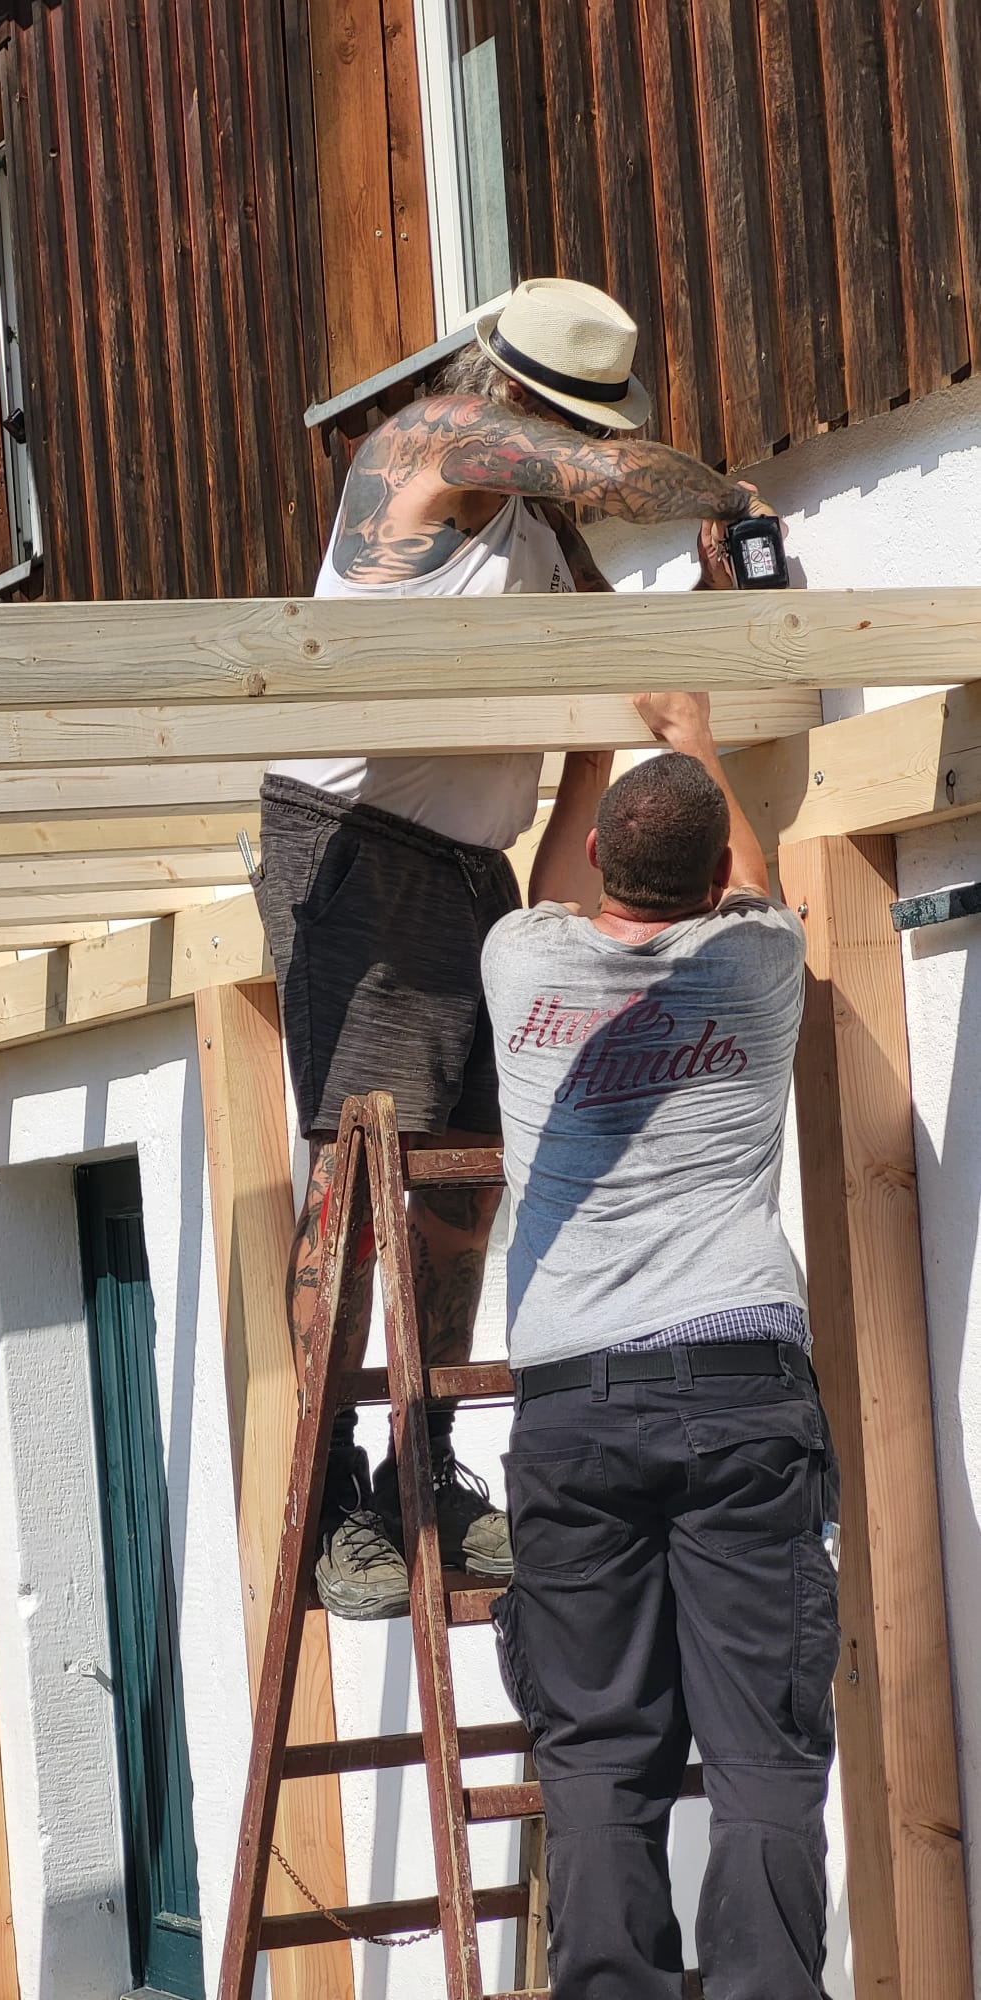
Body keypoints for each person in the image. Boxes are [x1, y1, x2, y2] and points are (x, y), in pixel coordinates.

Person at [257, 274, 780, 1619]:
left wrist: (706, 638)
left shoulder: (538, 521)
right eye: (558, 417)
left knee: (465, 1188)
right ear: (505, 390)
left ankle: (421, 1478)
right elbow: (605, 473)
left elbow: (614, 637)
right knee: (353, 1181)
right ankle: (327, 1507)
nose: (566, 446)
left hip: (466, 860)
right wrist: (728, 507)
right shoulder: (424, 442)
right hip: (354, 845)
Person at [479, 689, 839, 2000]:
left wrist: (591, 733)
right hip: (742, 1394)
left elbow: (560, 868)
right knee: (760, 1756)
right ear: (711, 879)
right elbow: (754, 870)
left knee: (596, 1757)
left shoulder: (522, 963)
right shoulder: (758, 966)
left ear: (590, 867)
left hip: (574, 1407)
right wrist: (691, 727)